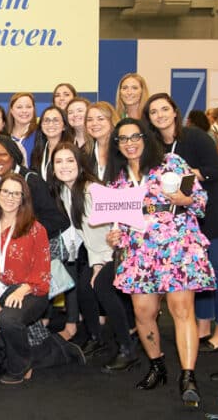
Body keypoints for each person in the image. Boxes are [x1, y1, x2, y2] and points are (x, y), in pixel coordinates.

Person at [103, 118, 215, 407]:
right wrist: (116, 236)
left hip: (178, 248)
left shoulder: (171, 163)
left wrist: (184, 199)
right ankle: (157, 365)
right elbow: (120, 221)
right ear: (117, 145)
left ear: (146, 137)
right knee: (143, 312)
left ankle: (188, 376)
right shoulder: (117, 179)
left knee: (181, 309)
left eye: (134, 136)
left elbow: (200, 200)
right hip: (140, 254)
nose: (129, 143)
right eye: (122, 139)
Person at [142, 94, 218, 354]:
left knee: (217, 272)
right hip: (183, 225)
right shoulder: (153, 146)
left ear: (175, 112)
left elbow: (216, 171)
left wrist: (183, 173)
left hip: (212, 216)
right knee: (196, 277)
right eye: (153, 111)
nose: (160, 115)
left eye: (165, 109)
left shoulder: (195, 137)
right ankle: (203, 328)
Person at [48, 142, 138, 372]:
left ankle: (127, 348)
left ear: (80, 164)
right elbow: (83, 234)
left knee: (100, 286)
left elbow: (104, 234)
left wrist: (99, 264)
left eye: (70, 160)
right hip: (96, 251)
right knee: (83, 287)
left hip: (119, 251)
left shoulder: (90, 191)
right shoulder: (65, 191)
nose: (64, 166)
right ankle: (95, 338)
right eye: (59, 161)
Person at [0, 136, 72, 336]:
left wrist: (25, 232)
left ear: (13, 157)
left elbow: (59, 220)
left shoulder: (31, 180)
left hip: (40, 249)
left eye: (2, 154)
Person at [0, 173, 51, 384]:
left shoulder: (36, 229)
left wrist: (21, 290)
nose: (10, 197)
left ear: (23, 199)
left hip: (29, 290)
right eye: (6, 191)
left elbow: (42, 273)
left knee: (7, 318)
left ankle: (21, 365)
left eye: (16, 194)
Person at [29, 106, 72, 179]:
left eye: (56, 120)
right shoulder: (37, 152)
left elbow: (85, 179)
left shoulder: (72, 151)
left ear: (64, 126)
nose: (51, 124)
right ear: (41, 126)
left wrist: (97, 190)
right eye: (46, 120)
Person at [85, 101, 118, 180]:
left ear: (112, 121)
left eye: (100, 119)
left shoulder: (122, 149)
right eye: (89, 120)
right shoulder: (85, 152)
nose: (94, 123)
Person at [7, 92, 38, 165]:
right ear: (11, 110)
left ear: (33, 109)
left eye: (28, 107)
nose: (24, 111)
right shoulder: (3, 135)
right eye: (19, 107)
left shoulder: (41, 134)